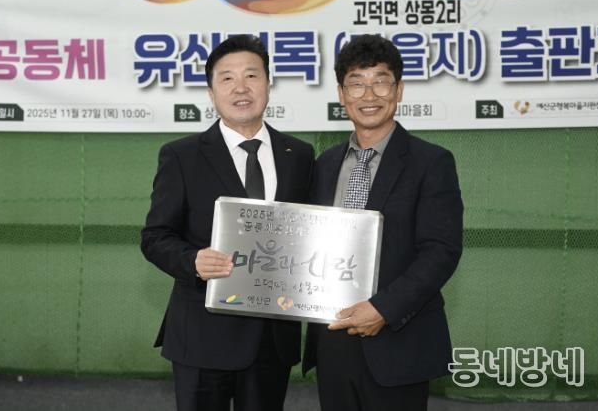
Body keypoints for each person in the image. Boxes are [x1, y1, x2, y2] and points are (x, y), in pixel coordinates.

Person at [141, 34, 314, 411]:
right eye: (227, 78)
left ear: (268, 84)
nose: (241, 87)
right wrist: (192, 261)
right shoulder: (182, 156)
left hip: (273, 337)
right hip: (203, 334)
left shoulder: (299, 155)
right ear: (211, 92)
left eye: (251, 76)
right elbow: (155, 236)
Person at [302, 34, 463, 411]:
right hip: (333, 339)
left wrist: (383, 309)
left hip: (397, 340)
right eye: (357, 83)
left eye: (381, 81)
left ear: (399, 90)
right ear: (342, 94)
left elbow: (441, 251)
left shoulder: (432, 163)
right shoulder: (324, 165)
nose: (369, 94)